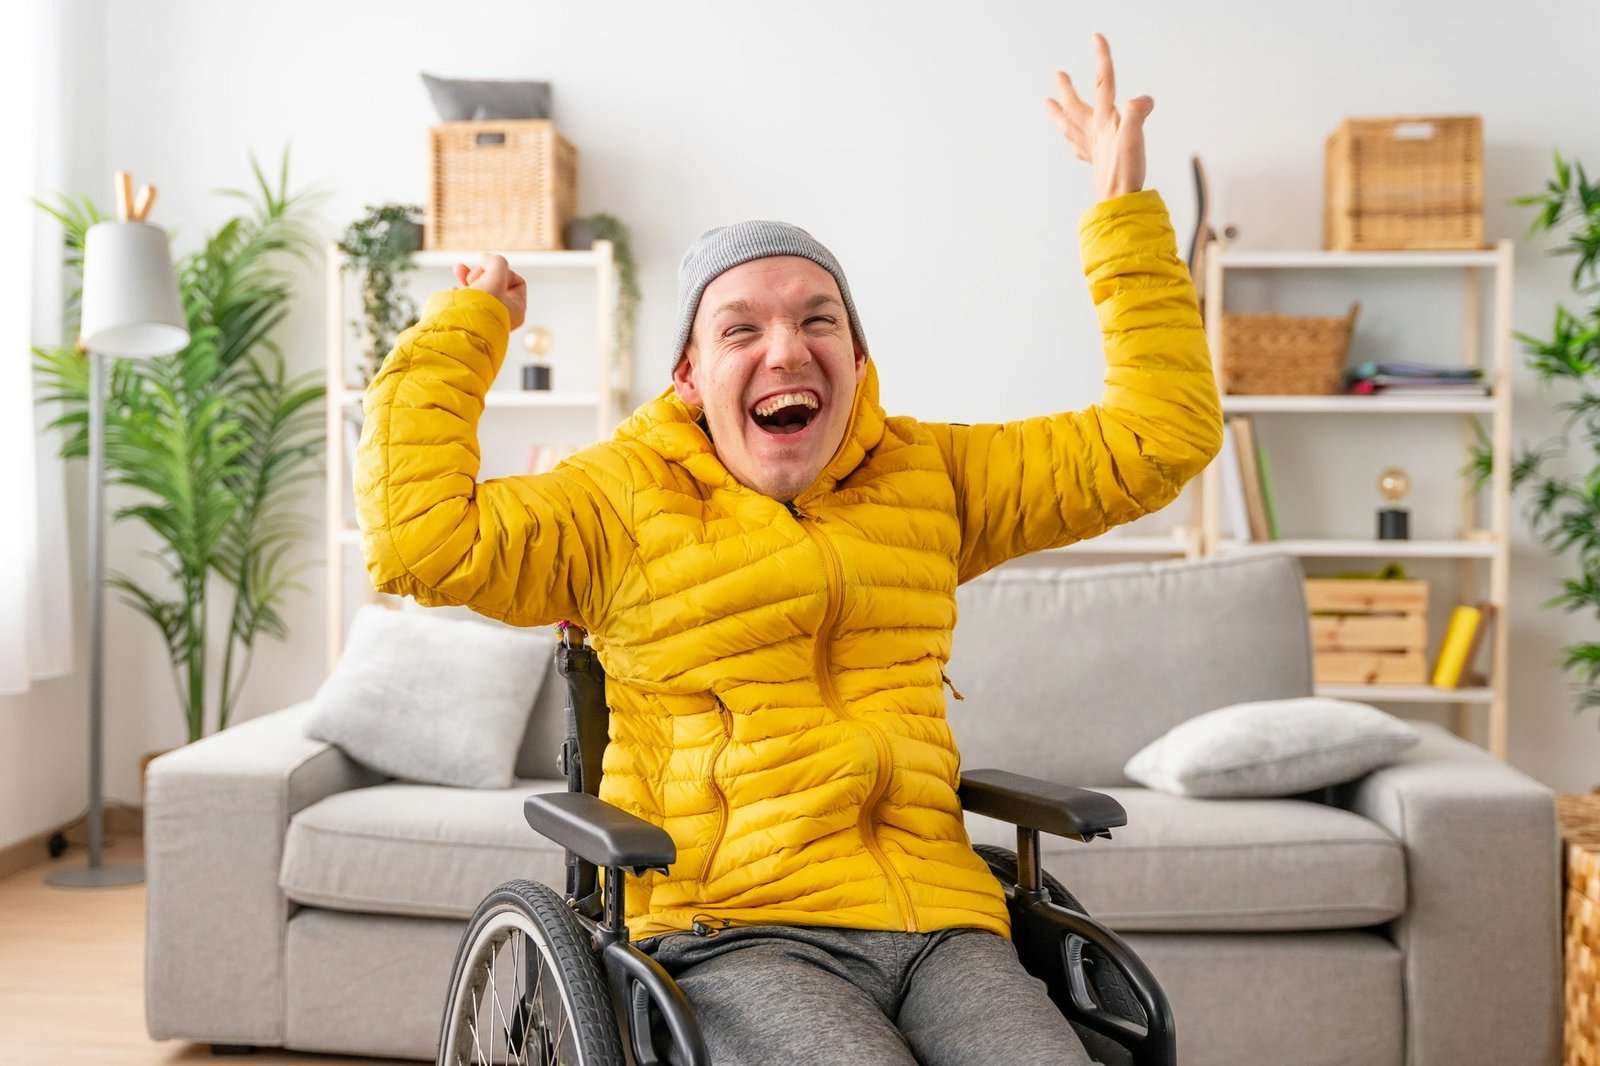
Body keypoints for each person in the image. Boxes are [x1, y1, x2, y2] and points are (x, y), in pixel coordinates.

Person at [356, 33, 1220, 1066]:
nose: (785, 348)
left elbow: (1160, 436)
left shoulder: (930, 476)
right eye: (739, 329)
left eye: (819, 319)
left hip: (944, 923)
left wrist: (1119, 204)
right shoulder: (618, 501)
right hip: (736, 928)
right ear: (686, 375)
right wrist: (469, 327)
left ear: (855, 360)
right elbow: (416, 539)